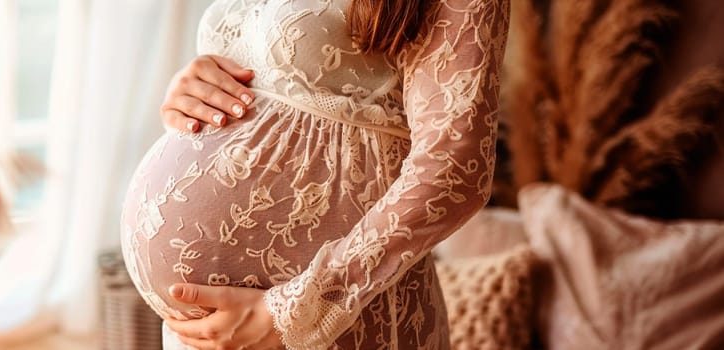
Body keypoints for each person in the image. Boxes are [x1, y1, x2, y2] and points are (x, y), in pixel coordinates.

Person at [121, 0, 510, 348]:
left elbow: (454, 169)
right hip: (208, 333)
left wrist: (296, 313)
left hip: (329, 320)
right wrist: (191, 88)